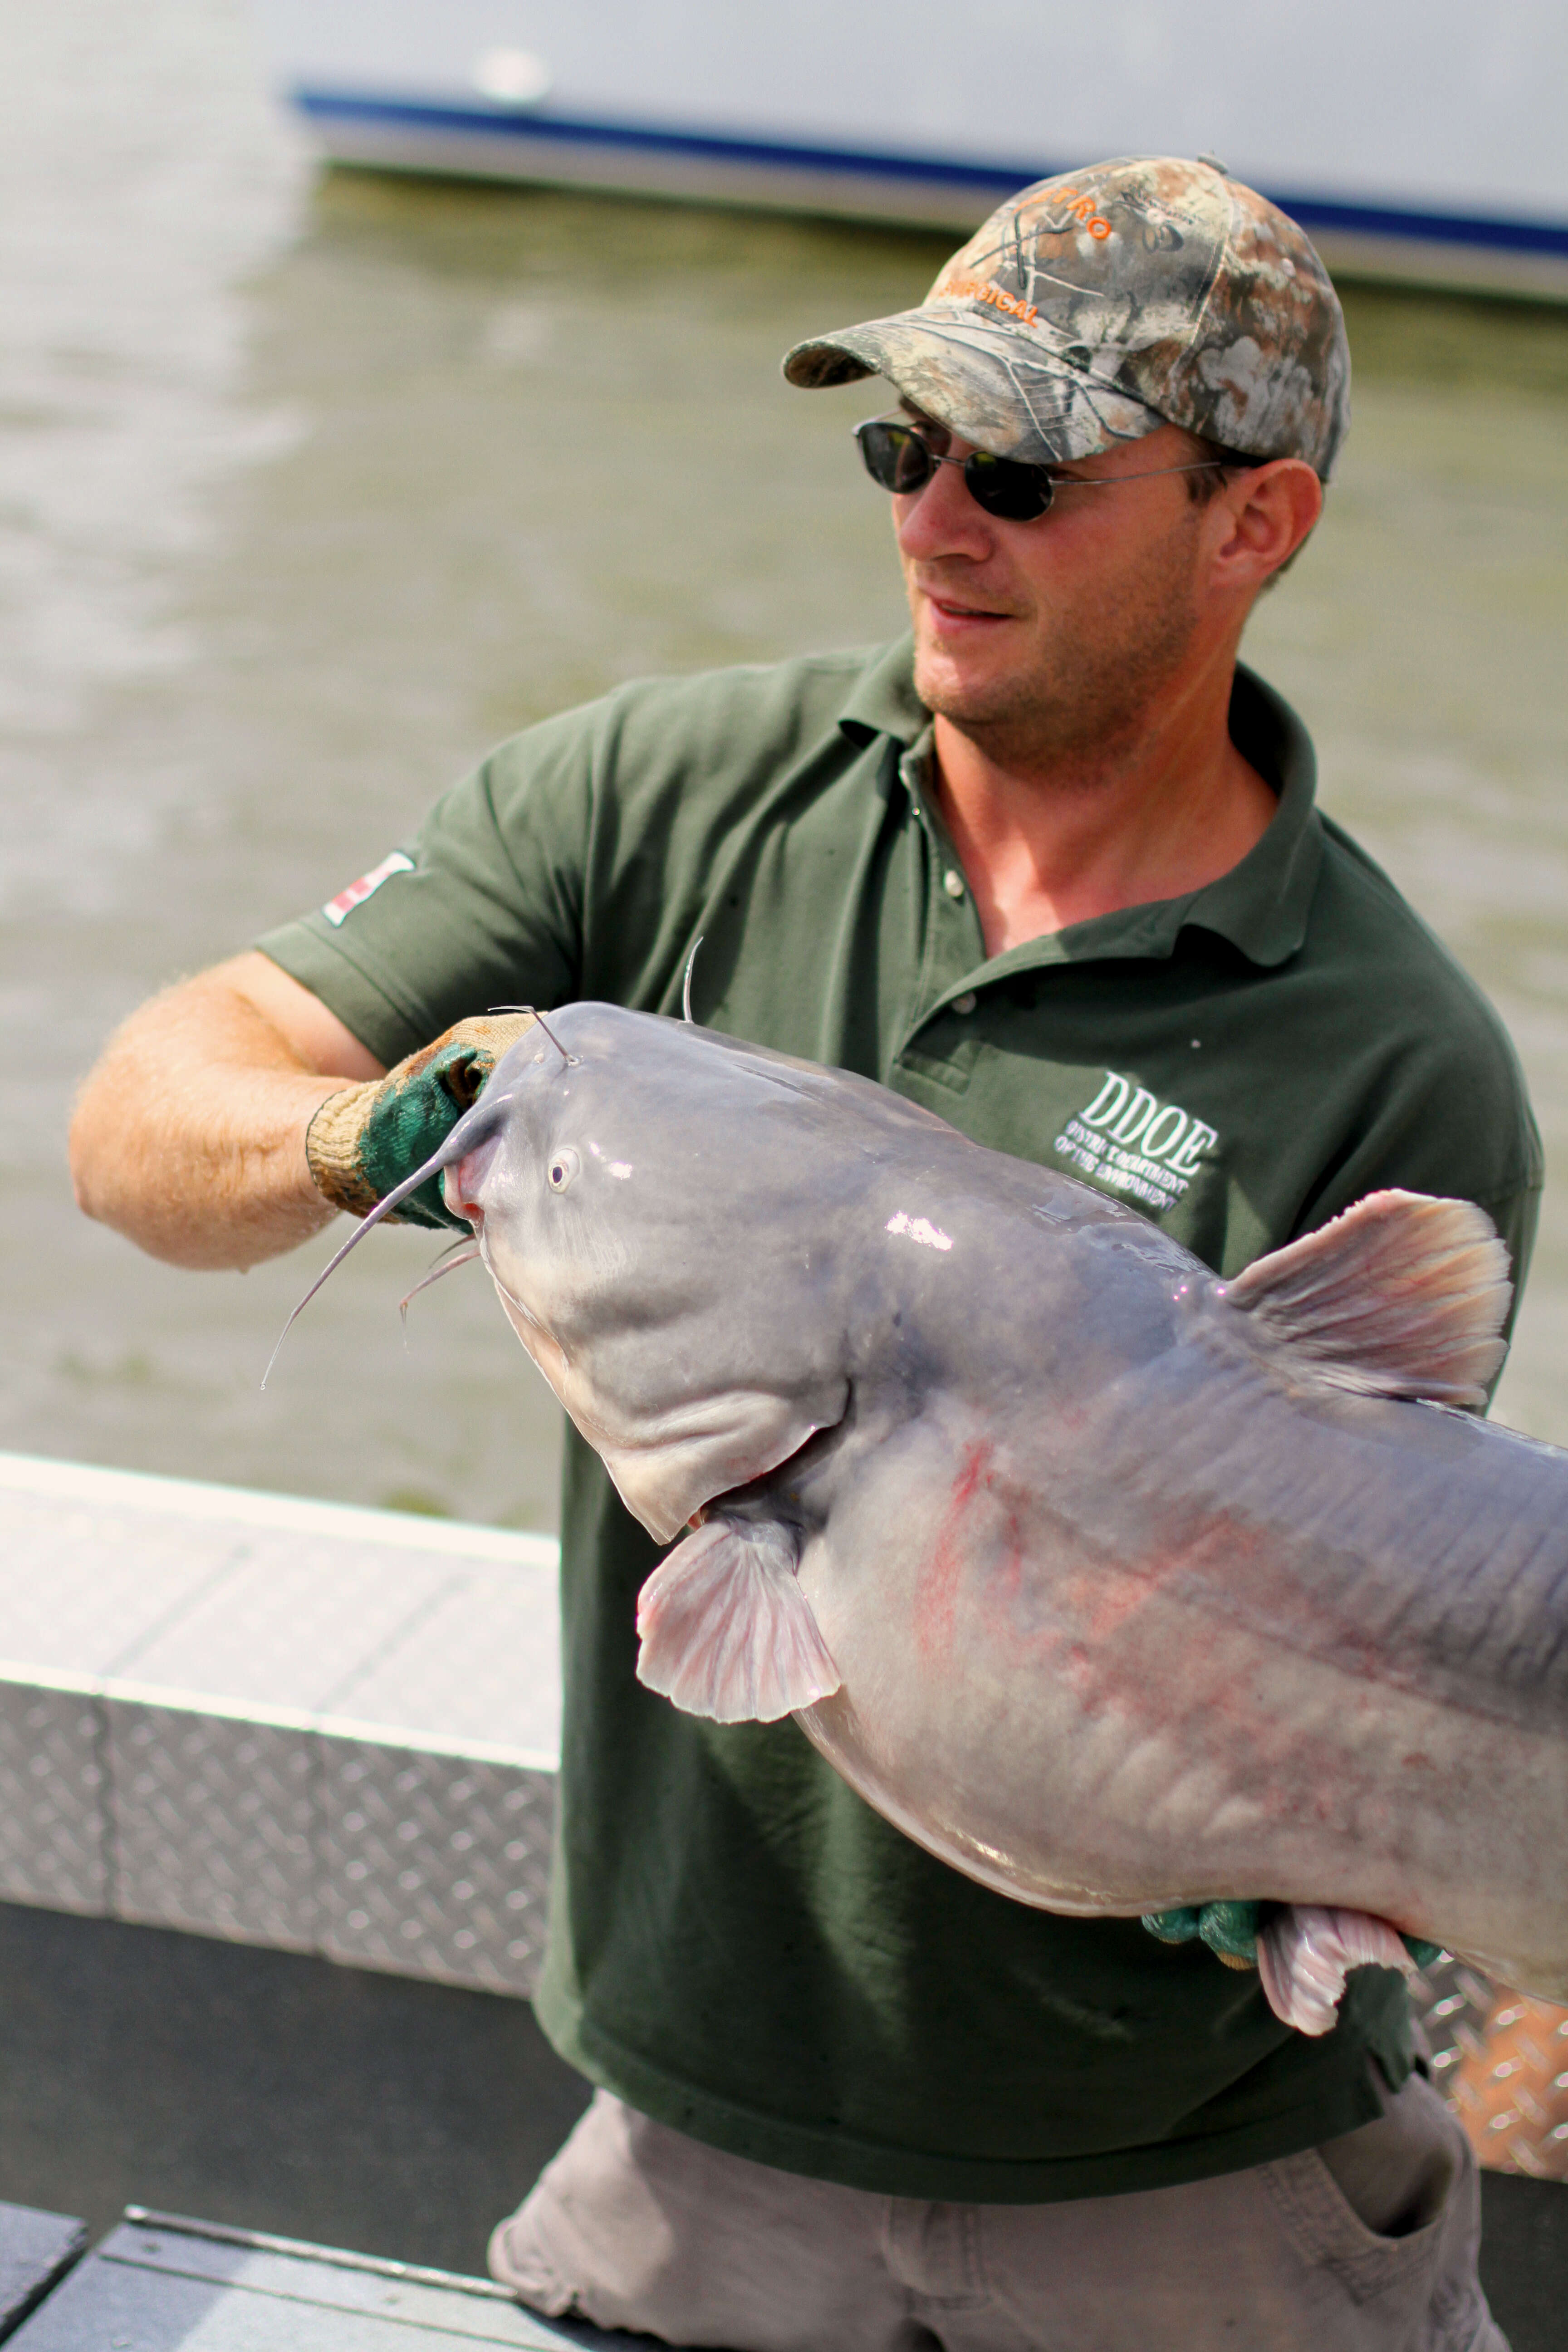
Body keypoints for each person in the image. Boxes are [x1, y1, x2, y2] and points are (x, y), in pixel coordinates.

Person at [71, 157, 1536, 2349]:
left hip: (1199, 2193)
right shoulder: (662, 798)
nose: (937, 522)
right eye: (904, 447)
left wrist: (1301, 1880)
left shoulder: (1397, 1056)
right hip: (699, 2141)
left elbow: (1394, 1612)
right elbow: (137, 1119)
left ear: (1257, 525)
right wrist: (360, 1135)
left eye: (1026, 472)